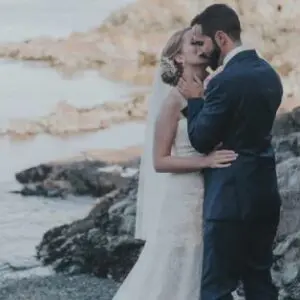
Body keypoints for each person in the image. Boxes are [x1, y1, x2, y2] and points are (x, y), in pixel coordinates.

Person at [112, 27, 237, 300]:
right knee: (176, 269)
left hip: (215, 192)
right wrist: (205, 160)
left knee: (209, 265)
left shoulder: (215, 89)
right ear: (179, 59)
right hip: (184, 196)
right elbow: (159, 161)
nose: (201, 46)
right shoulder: (171, 102)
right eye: (193, 43)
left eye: (202, 41)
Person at [178, 4, 283, 300]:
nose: (201, 49)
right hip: (265, 192)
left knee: (216, 288)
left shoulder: (224, 82)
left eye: (203, 42)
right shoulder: (270, 74)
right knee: (259, 281)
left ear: (221, 38)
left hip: (230, 198)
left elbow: (200, 139)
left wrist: (196, 100)